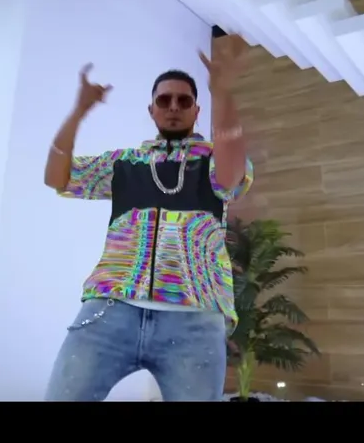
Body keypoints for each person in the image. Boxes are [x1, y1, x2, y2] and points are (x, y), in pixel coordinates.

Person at [42, 36, 254, 402]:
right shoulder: (125, 163)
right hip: (110, 309)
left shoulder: (213, 160)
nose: (173, 107)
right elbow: (56, 177)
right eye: (164, 100)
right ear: (152, 109)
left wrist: (222, 94)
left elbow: (231, 176)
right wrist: (78, 111)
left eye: (184, 101)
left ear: (196, 111)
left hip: (195, 318)